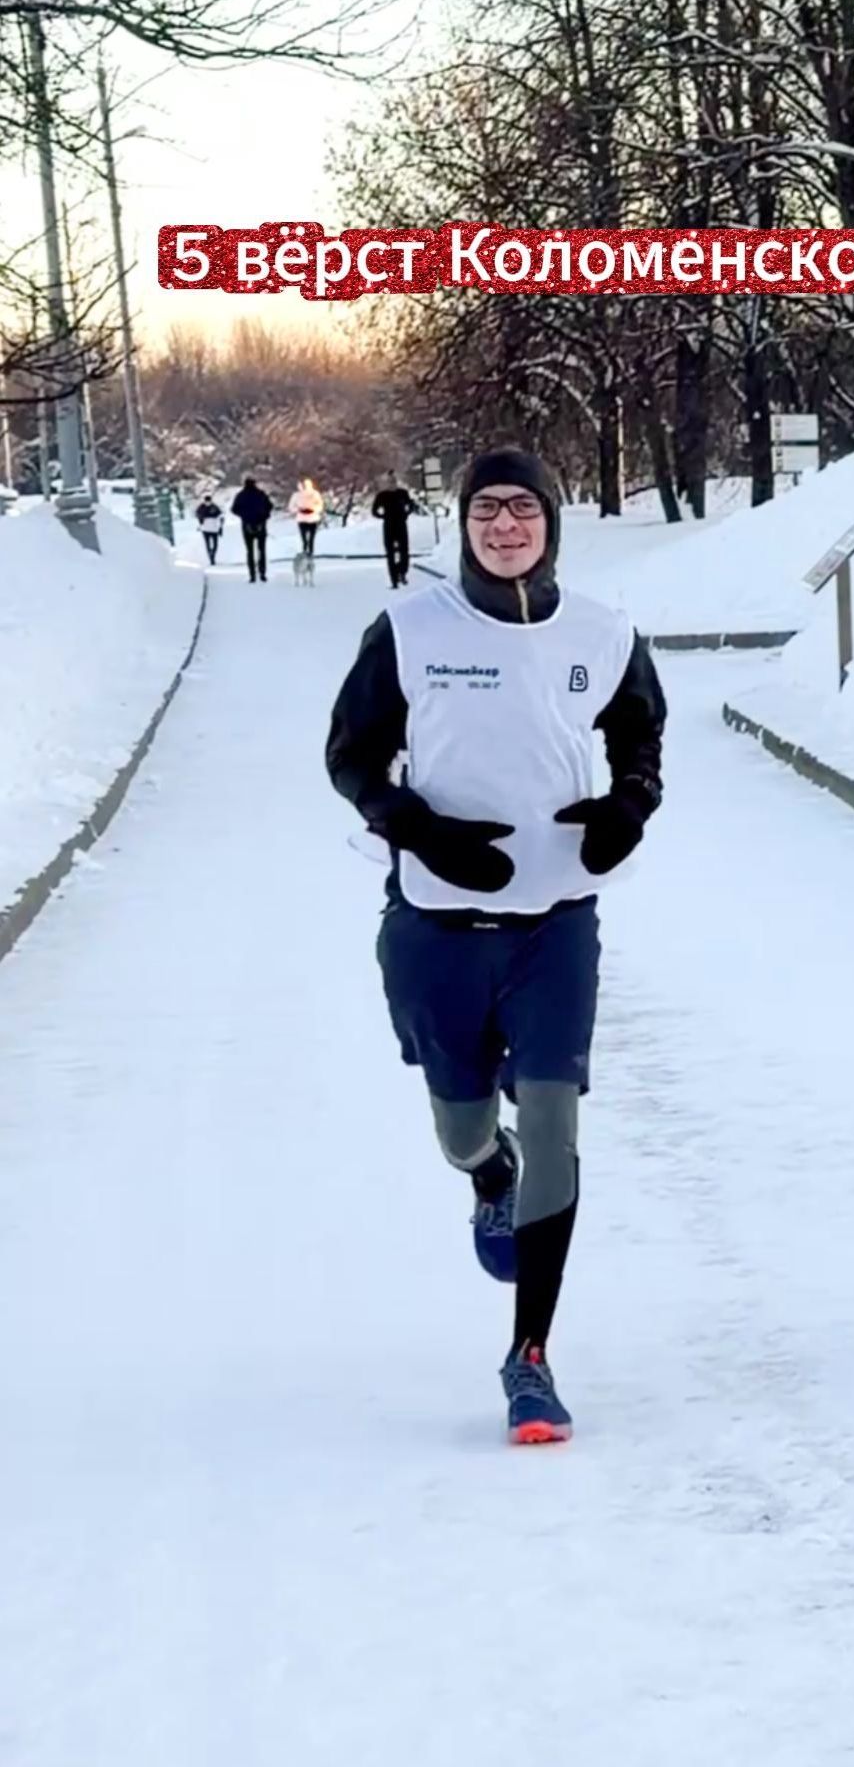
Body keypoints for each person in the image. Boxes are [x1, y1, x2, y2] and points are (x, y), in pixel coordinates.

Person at [325, 448, 666, 1445]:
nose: (506, 525)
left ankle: (530, 1359)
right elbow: (350, 755)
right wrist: (412, 824)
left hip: (556, 924)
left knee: (556, 1120)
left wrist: (628, 809)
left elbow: (639, 730)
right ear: (463, 524)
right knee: (461, 1130)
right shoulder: (409, 629)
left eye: (524, 508)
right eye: (487, 511)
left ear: (551, 522)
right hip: (435, 927)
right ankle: (488, 1174)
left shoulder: (602, 634)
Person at [371, 470, 419, 589]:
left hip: (401, 524)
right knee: (390, 554)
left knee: (404, 551)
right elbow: (374, 511)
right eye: (389, 482)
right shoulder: (382, 496)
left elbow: (411, 505)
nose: (392, 484)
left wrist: (407, 513)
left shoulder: (402, 493)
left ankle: (402, 572)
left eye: (393, 481)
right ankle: (394, 580)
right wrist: (382, 516)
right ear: (386, 483)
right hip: (389, 526)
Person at [230, 476, 272, 583]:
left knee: (250, 551)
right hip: (261, 525)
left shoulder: (241, 495)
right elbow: (270, 506)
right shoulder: (261, 494)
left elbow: (234, 509)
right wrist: (264, 517)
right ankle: (262, 573)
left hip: (247, 526)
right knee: (261, 550)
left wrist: (243, 516)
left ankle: (252, 575)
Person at [288, 476, 324, 558]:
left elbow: (320, 505)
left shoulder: (315, 494)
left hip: (312, 518)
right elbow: (291, 507)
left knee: (311, 538)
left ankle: (310, 551)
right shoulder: (296, 495)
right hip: (302, 518)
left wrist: (313, 509)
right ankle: (306, 550)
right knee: (305, 538)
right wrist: (299, 510)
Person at [194, 493, 224, 565]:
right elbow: (221, 516)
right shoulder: (212, 507)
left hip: (208, 528)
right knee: (213, 544)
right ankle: (212, 556)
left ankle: (211, 556)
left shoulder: (203, 507)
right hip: (211, 528)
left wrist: (201, 521)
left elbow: (197, 515)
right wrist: (220, 527)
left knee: (210, 544)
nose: (208, 502)